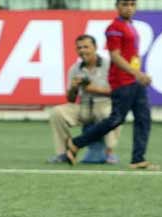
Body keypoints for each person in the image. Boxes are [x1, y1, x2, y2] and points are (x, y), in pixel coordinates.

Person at [66, 0, 158, 170]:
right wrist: (137, 73)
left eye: (132, 4)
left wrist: (137, 74)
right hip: (122, 81)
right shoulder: (114, 28)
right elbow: (115, 56)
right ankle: (76, 143)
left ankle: (138, 159)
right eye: (124, 4)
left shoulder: (130, 26)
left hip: (133, 80)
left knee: (143, 119)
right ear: (117, 6)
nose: (129, 8)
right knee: (115, 119)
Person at [48, 35, 119, 164]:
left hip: (104, 104)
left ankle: (109, 153)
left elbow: (118, 92)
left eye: (86, 47)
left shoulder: (109, 65)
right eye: (79, 48)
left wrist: (93, 89)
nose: (82, 50)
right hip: (84, 106)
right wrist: (73, 88)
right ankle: (64, 153)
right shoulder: (74, 69)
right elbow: (70, 99)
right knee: (57, 112)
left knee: (112, 113)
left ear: (95, 47)